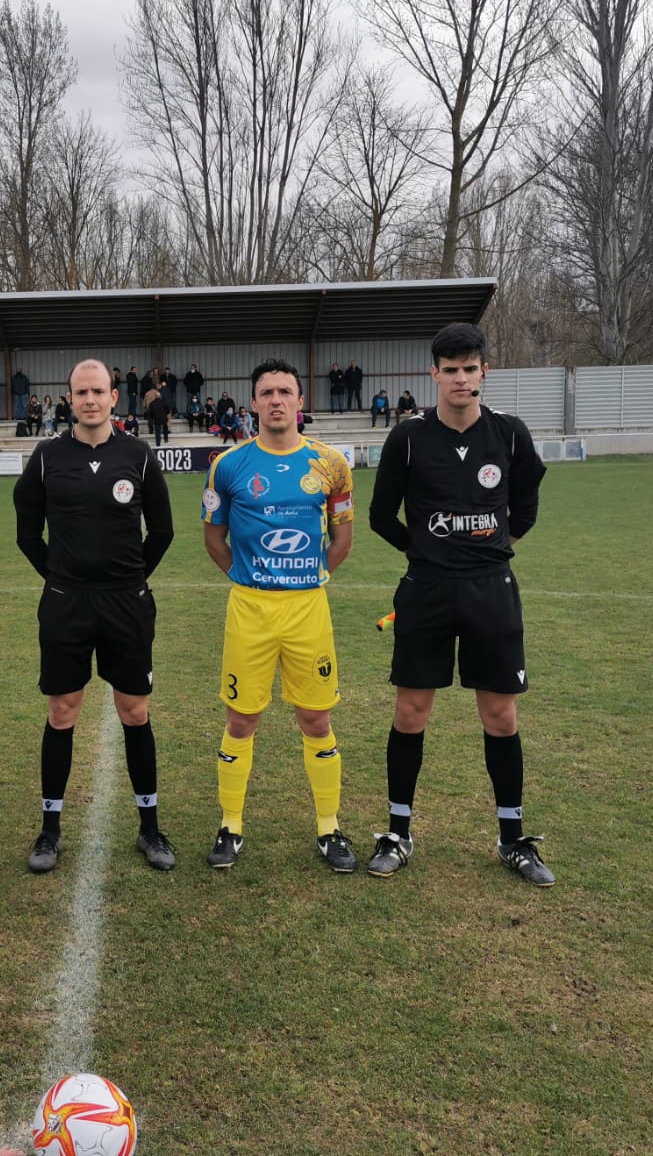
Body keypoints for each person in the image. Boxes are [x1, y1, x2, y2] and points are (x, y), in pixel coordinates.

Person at [366, 322, 553, 887]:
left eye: (470, 369)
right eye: (450, 370)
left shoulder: (511, 435)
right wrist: (425, 552)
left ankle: (512, 838)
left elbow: (525, 511)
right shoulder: (409, 438)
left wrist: (489, 553)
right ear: (434, 375)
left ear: (484, 372)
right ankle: (398, 833)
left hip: (490, 591)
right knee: (410, 713)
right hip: (425, 591)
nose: (461, 379)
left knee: (500, 716)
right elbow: (379, 517)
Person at [13, 359, 177, 874]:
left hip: (126, 603)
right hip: (66, 603)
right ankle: (50, 830)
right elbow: (26, 534)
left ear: (113, 399)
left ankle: (150, 829)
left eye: (98, 391)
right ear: (69, 399)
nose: (89, 399)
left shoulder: (138, 455)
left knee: (134, 711)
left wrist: (128, 579)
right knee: (63, 710)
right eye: (80, 391)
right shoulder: (46, 457)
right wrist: (61, 578)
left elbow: (163, 532)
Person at [202, 358, 356, 872]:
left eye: (284, 391)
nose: (275, 400)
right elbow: (214, 538)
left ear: (299, 401)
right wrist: (248, 578)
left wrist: (309, 577)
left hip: (308, 608)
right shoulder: (228, 465)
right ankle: (230, 825)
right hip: (250, 608)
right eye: (265, 392)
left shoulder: (331, 463)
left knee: (315, 717)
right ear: (253, 403)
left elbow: (342, 539)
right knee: (242, 717)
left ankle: (330, 828)